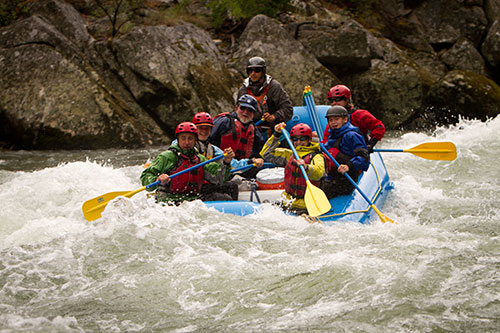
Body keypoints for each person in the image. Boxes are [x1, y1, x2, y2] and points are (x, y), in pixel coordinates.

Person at [140, 121, 235, 203]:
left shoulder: (199, 159)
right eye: (183, 138)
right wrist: (157, 179)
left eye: (190, 138)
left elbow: (218, 179)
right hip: (169, 200)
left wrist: (226, 162)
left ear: (195, 141)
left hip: (193, 200)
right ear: (178, 139)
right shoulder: (167, 157)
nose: (186, 142)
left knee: (226, 198)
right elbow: (145, 177)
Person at [260, 122, 325, 214]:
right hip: (287, 201)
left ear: (309, 140)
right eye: (295, 139)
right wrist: (276, 134)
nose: (298, 142)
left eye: (302, 139)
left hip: (306, 205)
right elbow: (265, 154)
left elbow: (319, 173)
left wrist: (306, 167)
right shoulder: (289, 154)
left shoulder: (316, 156)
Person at [210, 94, 265, 178]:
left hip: (242, 168)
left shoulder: (254, 130)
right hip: (221, 165)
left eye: (250, 110)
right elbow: (208, 143)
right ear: (236, 108)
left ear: (253, 114)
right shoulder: (224, 122)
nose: (245, 112)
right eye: (242, 108)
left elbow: (261, 151)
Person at [322, 106, 370, 198]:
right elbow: (326, 149)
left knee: (323, 190)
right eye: (331, 120)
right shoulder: (333, 135)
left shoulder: (352, 135)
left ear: (345, 119)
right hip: (333, 176)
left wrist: (349, 166)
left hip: (347, 179)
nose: (333, 122)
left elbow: (364, 158)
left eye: (337, 119)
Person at [321, 84, 385, 152]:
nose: (334, 103)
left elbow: (379, 127)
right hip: (342, 153)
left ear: (347, 100)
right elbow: (326, 140)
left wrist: (370, 145)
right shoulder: (332, 121)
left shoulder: (360, 115)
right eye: (331, 100)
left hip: (358, 152)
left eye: (338, 99)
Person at [237, 56, 293, 128]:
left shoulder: (274, 87)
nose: (253, 73)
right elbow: (238, 111)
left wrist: (274, 117)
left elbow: (287, 109)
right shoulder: (243, 89)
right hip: (251, 130)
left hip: (273, 129)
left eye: (257, 70)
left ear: (263, 72)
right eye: (250, 71)